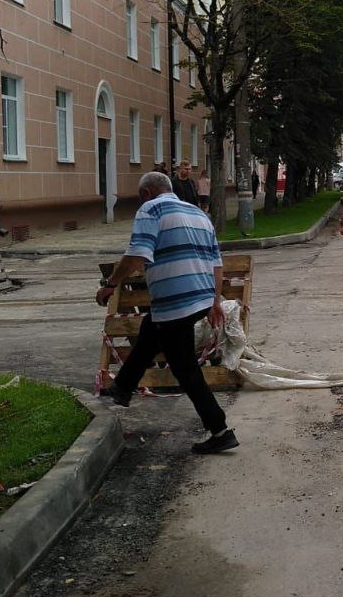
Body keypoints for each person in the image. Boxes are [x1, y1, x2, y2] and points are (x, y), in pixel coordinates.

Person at [96, 171, 238, 454]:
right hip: (197, 298)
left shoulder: (151, 208)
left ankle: (220, 430)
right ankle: (123, 387)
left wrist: (111, 284)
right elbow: (216, 263)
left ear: (147, 194)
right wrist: (214, 301)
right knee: (151, 329)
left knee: (185, 369)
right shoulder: (197, 213)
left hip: (176, 302)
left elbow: (137, 255)